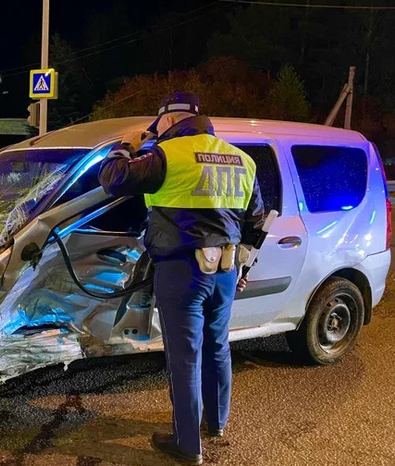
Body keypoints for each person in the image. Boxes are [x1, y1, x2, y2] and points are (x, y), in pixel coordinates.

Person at [98, 92, 264, 465]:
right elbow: (256, 222)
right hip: (225, 269)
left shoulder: (166, 156)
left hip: (182, 271)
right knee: (217, 346)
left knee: (184, 357)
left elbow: (114, 178)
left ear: (168, 121)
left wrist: (125, 146)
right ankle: (216, 423)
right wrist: (244, 269)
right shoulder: (242, 160)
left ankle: (187, 445)